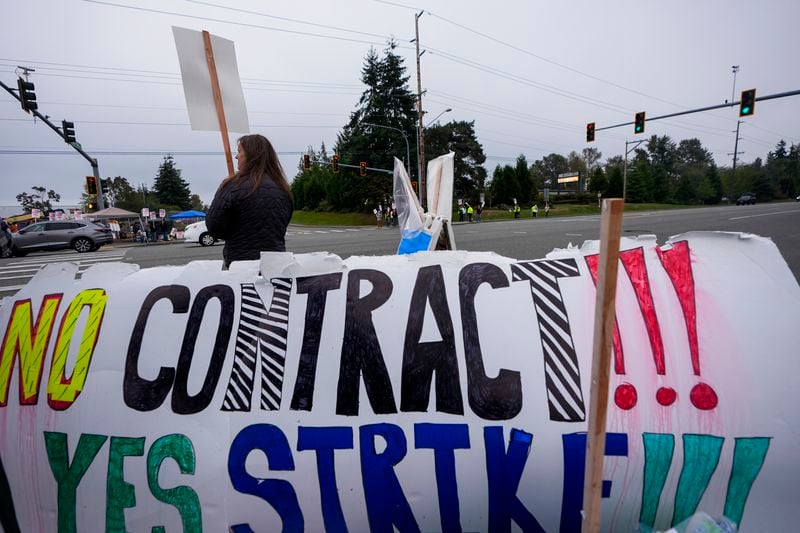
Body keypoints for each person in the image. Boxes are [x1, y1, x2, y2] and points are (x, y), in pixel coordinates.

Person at [206, 134, 293, 268]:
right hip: (276, 266)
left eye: (239, 151)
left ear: (252, 155)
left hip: (240, 266)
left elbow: (214, 227)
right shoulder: (283, 189)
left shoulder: (232, 186)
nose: (236, 156)